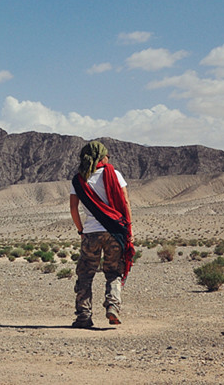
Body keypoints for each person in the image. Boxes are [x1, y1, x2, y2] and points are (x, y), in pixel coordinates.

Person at [69, 140, 135, 329]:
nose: (108, 158)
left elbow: (73, 208)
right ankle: (112, 306)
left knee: (85, 275)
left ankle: (83, 316)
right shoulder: (114, 174)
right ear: (100, 156)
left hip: (91, 233)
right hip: (115, 232)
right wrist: (129, 230)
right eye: (106, 155)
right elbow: (125, 202)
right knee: (113, 272)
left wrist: (81, 230)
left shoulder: (79, 179)